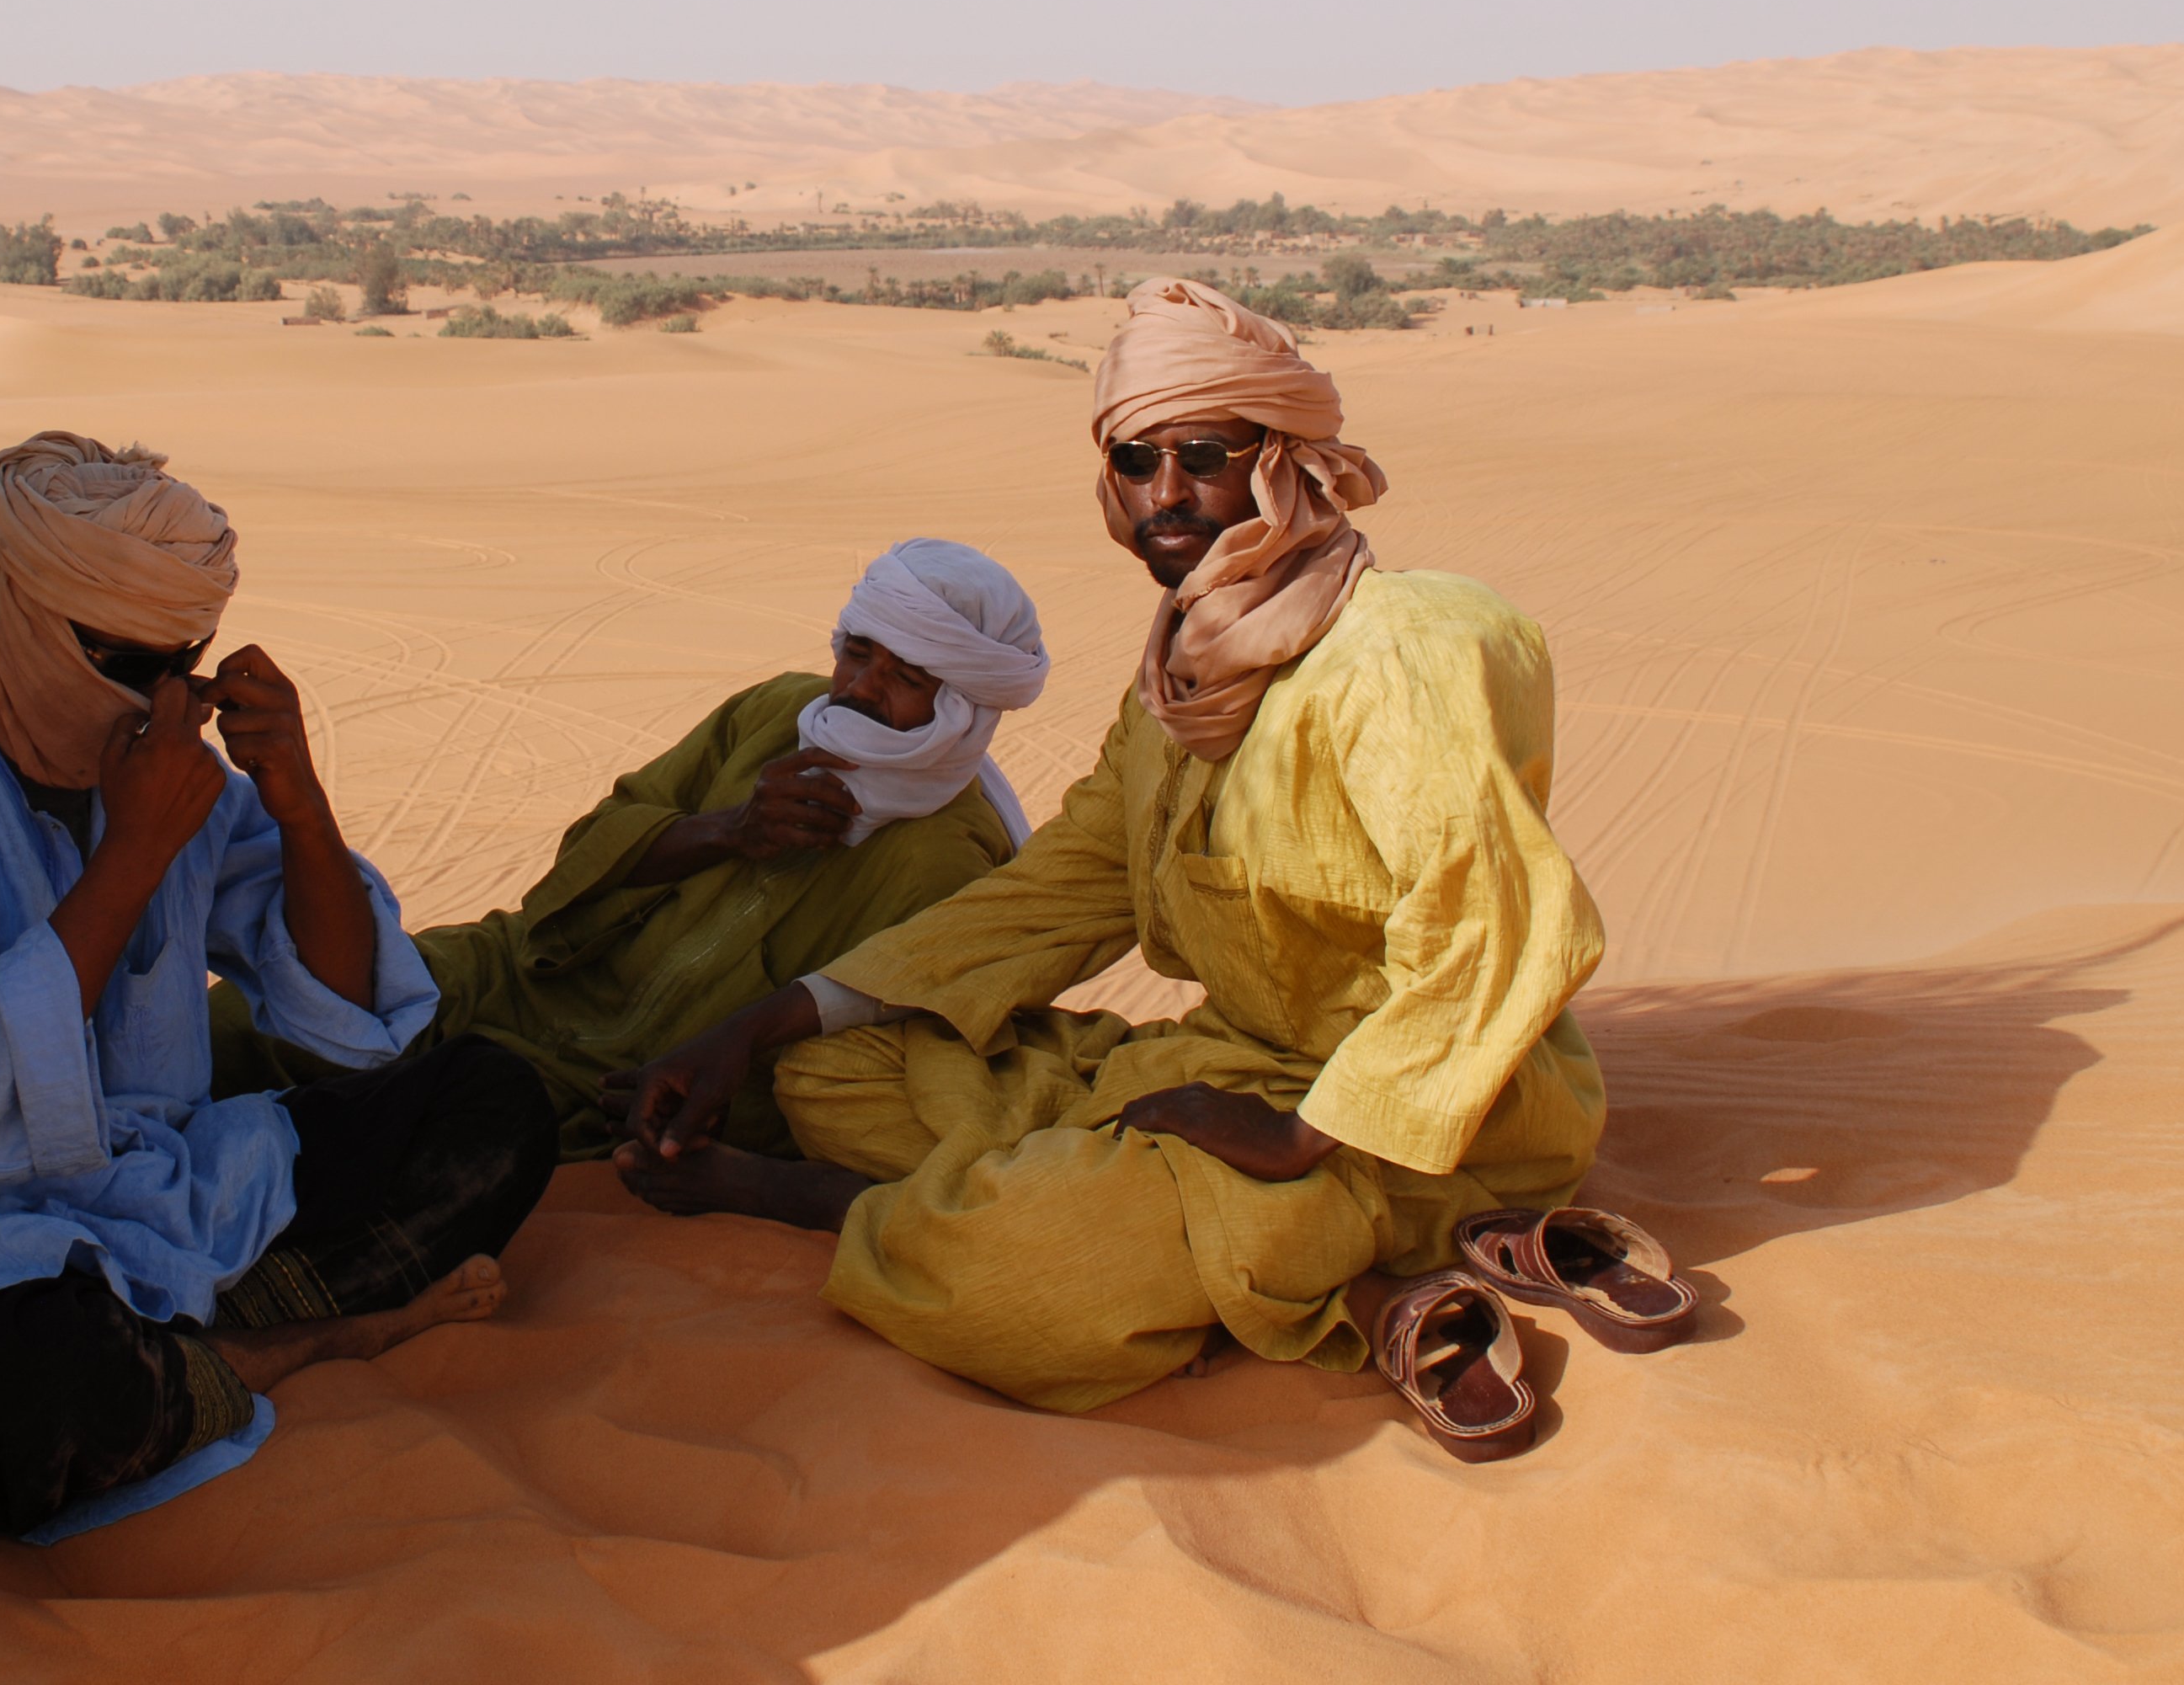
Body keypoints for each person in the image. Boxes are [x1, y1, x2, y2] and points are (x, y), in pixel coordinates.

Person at [607, 279, 1606, 1427]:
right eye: (1136, 461)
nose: (1164, 495)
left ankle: (851, 1205)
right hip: (1235, 1065)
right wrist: (761, 1022)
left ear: (1285, 462)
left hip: (1414, 1114)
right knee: (831, 1069)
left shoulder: (1406, 649)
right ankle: (1116, 1211)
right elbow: (1065, 884)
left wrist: (1297, 1134)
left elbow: (1500, 925)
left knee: (1017, 1280)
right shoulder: (1178, 683)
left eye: (1205, 456)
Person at [0, 431, 557, 1539]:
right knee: (27, 1397)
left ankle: (189, 1354)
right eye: (124, 662)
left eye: (182, 662)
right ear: (11, 614)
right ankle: (298, 1339)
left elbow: (348, 1013)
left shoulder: (168, 769)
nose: (161, 701)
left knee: (493, 1105)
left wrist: (297, 802)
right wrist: (133, 855)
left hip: (159, 1203)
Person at [217, 540, 1053, 1157]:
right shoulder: (775, 713)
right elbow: (586, 858)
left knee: (383, 1138)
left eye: (905, 678)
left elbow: (859, 1054)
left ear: (964, 706)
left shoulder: (949, 861)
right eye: (857, 654)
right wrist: (730, 830)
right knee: (258, 1021)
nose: (861, 689)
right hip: (521, 980)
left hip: (626, 1084)